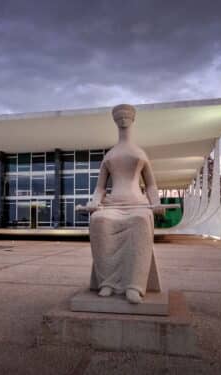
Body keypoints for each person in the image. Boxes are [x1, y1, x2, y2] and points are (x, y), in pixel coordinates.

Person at [85, 104, 163, 304]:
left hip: (137, 204)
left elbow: (151, 185)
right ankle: (107, 282)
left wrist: (155, 203)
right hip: (113, 205)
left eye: (127, 114)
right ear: (114, 119)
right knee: (99, 221)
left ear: (133, 118)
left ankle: (134, 285)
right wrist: (95, 201)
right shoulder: (109, 156)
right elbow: (100, 188)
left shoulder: (140, 153)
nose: (123, 118)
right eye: (119, 115)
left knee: (139, 221)